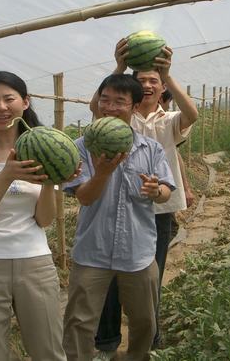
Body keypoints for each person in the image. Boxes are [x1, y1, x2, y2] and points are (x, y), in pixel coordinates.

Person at [90, 38, 198, 356]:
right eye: (142, 81)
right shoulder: (123, 115)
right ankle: (107, 340)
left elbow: (191, 114)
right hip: (120, 206)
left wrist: (169, 74)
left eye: (154, 81)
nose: (148, 85)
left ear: (162, 87)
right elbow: (98, 107)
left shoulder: (169, 120)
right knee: (110, 275)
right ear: (132, 91)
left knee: (152, 276)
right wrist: (120, 68)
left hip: (159, 207)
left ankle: (149, 337)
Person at [0, 71, 72, 361]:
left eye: (9, 99)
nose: (1, 107)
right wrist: (6, 174)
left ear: (25, 102)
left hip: (35, 261)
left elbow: (44, 220)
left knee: (49, 350)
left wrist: (49, 180)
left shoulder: (45, 150)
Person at [62, 73, 175, 361]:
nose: (110, 107)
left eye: (119, 101)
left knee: (145, 321)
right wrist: (102, 173)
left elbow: (165, 191)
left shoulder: (150, 148)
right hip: (92, 251)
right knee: (79, 323)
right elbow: (84, 197)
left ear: (135, 106)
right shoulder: (80, 148)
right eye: (105, 100)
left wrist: (156, 190)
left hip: (138, 251)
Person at [158, 89, 195, 239]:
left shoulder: (168, 120)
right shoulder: (132, 120)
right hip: (149, 197)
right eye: (169, 102)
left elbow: (176, 156)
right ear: (161, 99)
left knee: (167, 230)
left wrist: (186, 188)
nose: (168, 107)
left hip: (163, 194)